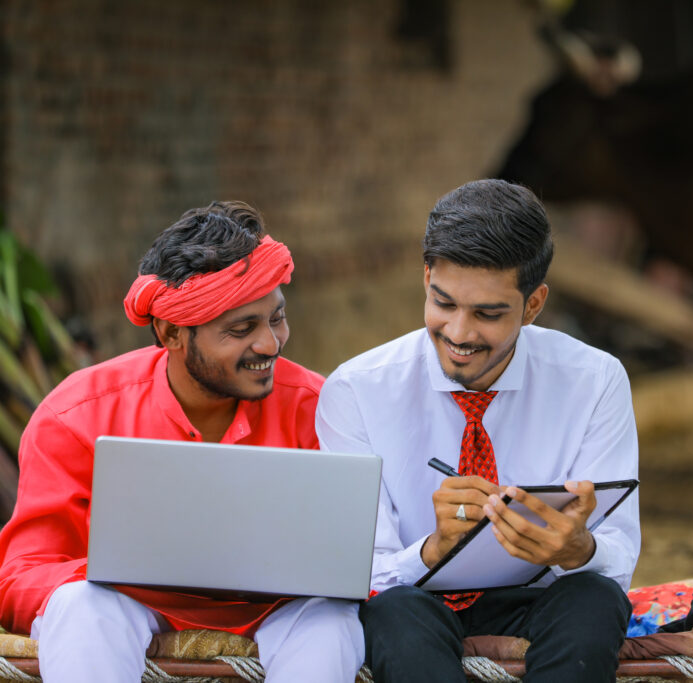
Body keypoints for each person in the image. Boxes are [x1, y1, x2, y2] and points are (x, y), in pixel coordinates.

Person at [0, 201, 364, 682]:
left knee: (332, 623)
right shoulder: (76, 414)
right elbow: (21, 576)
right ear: (172, 333)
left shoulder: (323, 408)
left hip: (282, 612)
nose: (271, 344)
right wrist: (122, 571)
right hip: (123, 606)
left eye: (276, 318)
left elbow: (368, 564)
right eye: (241, 330)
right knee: (82, 606)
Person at [316, 179, 640, 682]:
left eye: (488, 314)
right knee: (395, 616)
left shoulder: (594, 380)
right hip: (415, 601)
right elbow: (357, 572)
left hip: (541, 598)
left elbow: (617, 554)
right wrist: (435, 549)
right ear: (426, 278)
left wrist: (580, 549)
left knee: (594, 599)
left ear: (533, 305)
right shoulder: (357, 390)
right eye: (444, 303)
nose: (460, 334)